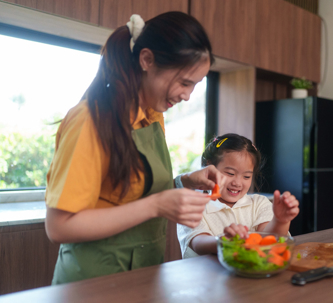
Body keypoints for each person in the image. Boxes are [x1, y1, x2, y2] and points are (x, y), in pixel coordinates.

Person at [45, 12, 226, 284]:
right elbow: (59, 226)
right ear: (147, 60)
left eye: (195, 86)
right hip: (91, 283)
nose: (187, 96)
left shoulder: (153, 116)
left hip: (142, 277)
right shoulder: (90, 120)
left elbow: (133, 191)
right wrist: (156, 205)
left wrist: (185, 182)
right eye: (184, 82)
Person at [177, 133, 300, 258]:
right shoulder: (192, 206)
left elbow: (270, 240)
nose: (237, 183)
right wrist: (225, 241)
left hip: (250, 275)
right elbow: (199, 243)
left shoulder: (259, 203)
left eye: (246, 176)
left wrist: (280, 221)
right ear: (210, 167)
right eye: (230, 173)